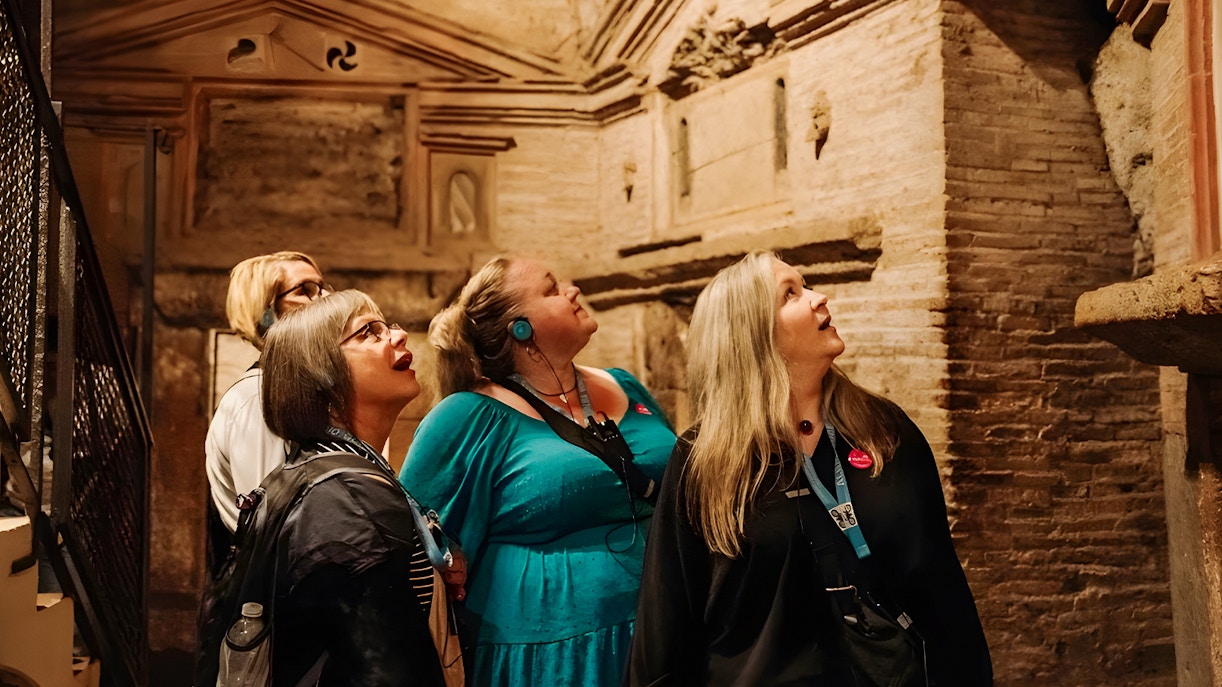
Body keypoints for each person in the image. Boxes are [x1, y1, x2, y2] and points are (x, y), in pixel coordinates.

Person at [627, 251, 992, 686]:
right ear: (753, 335)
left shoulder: (883, 430)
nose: (820, 298)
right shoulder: (704, 457)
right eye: (791, 294)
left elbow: (940, 583)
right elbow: (666, 615)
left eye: (808, 286)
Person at [399, 256, 678, 686]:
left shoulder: (624, 384)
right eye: (550, 289)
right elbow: (408, 535)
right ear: (520, 328)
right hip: (552, 655)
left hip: (664, 625)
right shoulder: (470, 415)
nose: (572, 290)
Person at [257, 289, 451, 686]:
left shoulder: (335, 471)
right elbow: (381, 671)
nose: (398, 337)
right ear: (321, 373)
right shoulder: (343, 496)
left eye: (388, 326)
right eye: (369, 332)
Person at [206, 251, 332, 536]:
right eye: (305, 290)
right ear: (266, 311)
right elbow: (273, 527)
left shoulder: (300, 390)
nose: (324, 299)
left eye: (323, 288)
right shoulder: (258, 398)